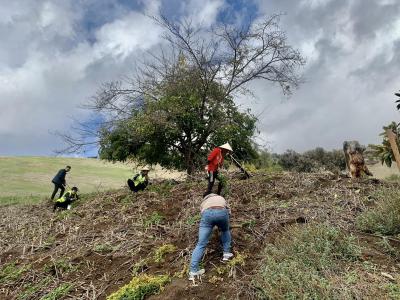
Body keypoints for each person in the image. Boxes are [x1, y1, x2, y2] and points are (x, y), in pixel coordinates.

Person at [189, 193, 234, 281]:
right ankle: (226, 253)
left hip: (207, 214)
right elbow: (228, 210)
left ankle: (193, 271)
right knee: (225, 230)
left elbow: (202, 213)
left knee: (201, 244)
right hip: (222, 212)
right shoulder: (221, 197)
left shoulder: (204, 202)